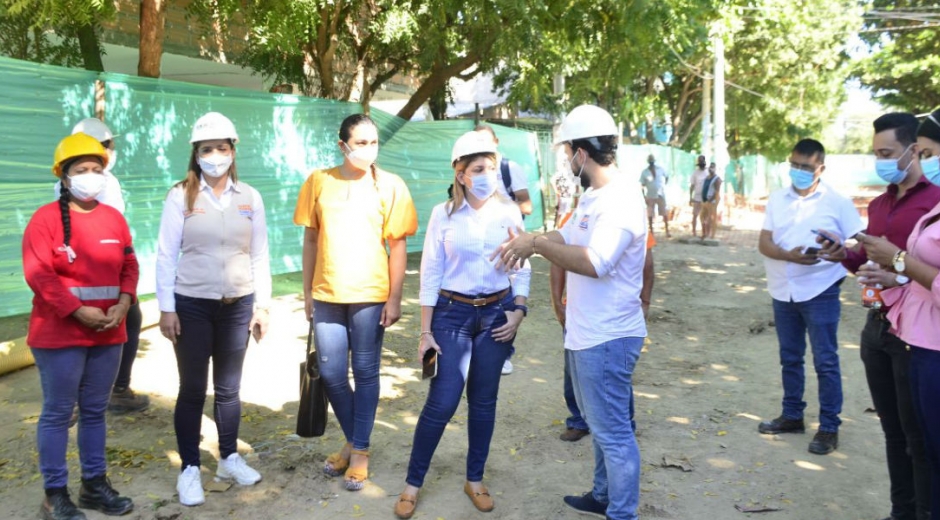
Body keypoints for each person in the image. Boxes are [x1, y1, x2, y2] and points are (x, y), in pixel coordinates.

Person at [495, 104, 648, 520]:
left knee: (614, 431)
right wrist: (537, 238)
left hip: (609, 336)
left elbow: (597, 262)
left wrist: (539, 246)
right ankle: (603, 496)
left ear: (582, 153)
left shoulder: (620, 199)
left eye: (567, 152)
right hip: (588, 332)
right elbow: (569, 234)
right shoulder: (593, 196)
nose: (566, 160)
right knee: (601, 427)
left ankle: (622, 512)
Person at [393, 131, 530, 519]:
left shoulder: (508, 211)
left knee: (484, 403)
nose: (487, 175)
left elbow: (522, 266)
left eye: (491, 167)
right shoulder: (444, 214)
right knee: (442, 401)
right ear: (461, 173)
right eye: (478, 169)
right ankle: (412, 484)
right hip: (451, 315)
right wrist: (425, 331)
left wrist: (518, 311)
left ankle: (474, 479)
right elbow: (431, 272)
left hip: (496, 316)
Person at [293, 114, 417, 492]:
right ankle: (354, 440)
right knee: (331, 374)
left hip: (370, 295)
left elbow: (398, 246)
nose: (368, 149)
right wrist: (308, 291)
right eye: (360, 142)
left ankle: (359, 451)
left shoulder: (391, 186)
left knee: (365, 373)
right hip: (328, 293)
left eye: (373, 142)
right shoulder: (319, 182)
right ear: (342, 144)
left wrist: (394, 298)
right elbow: (311, 240)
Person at [156, 112, 272, 506]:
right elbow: (165, 255)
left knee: (228, 390)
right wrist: (167, 309)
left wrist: (263, 306)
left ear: (232, 151)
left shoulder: (250, 198)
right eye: (208, 149)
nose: (216, 155)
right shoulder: (181, 195)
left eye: (222, 148)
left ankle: (228, 458)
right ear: (197, 154)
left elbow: (259, 255)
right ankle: (190, 468)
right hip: (191, 306)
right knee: (192, 389)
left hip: (237, 306)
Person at [23, 133, 138, 519]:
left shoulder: (113, 218)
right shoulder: (45, 220)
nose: (91, 176)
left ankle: (94, 485)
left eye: (96, 169)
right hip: (60, 336)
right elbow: (40, 275)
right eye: (81, 170)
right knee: (58, 413)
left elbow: (129, 266)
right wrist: (77, 310)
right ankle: (54, 494)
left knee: (94, 412)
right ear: (64, 176)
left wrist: (124, 302)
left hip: (108, 332)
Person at [834, 112, 938, 520]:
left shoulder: (934, 202)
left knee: (920, 438)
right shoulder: (880, 203)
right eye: (875, 152)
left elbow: (907, 267)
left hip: (916, 336)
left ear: (914, 151)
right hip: (877, 323)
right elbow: (871, 258)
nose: (880, 161)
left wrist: (896, 266)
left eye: (887, 153)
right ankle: (901, 511)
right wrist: (843, 254)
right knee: (893, 432)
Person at [756, 138, 864, 455]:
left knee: (825, 360)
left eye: (806, 166)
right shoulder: (777, 199)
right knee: (790, 358)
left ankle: (829, 427)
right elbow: (764, 243)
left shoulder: (837, 202)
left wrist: (839, 252)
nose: (799, 171)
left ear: (821, 168)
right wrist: (788, 255)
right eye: (794, 165)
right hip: (783, 289)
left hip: (820, 289)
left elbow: (860, 244)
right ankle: (792, 415)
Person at [54, 118, 149, 415]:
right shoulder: (106, 181)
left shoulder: (62, 183)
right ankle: (117, 389)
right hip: (104, 272)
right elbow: (116, 235)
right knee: (125, 323)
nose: (113, 150)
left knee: (80, 332)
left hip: (77, 275)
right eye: (109, 145)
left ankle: (77, 396)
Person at [552, 230, 655, 444]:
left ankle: (624, 423)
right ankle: (579, 420)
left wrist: (645, 301)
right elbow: (557, 260)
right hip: (577, 313)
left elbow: (647, 263)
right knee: (573, 371)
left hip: (614, 319)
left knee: (614, 375)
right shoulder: (575, 217)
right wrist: (557, 302)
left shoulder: (630, 217)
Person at [475, 124, 531, 376]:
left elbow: (526, 205)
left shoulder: (510, 168)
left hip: (507, 236)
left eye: (487, 142)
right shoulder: (469, 173)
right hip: (480, 237)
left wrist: (504, 209)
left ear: (496, 142)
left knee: (508, 291)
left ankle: (505, 352)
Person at [641, 154, 670, 238]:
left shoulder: (660, 169)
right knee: (650, 214)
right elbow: (642, 185)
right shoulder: (645, 172)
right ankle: (652, 232)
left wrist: (663, 185)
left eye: (652, 160)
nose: (651, 162)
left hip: (660, 194)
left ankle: (667, 230)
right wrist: (644, 196)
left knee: (664, 212)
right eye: (650, 160)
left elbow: (667, 177)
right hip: (650, 195)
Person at [700, 162, 722, 240]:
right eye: (710, 167)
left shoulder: (717, 179)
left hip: (711, 201)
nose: (711, 169)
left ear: (715, 168)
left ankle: (712, 235)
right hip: (704, 201)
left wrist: (711, 200)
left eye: (712, 167)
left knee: (712, 218)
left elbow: (717, 192)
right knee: (702, 217)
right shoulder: (707, 178)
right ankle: (705, 233)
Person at [689, 155, 708, 238]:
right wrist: (690, 197)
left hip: (705, 197)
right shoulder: (695, 173)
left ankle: (704, 233)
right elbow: (692, 185)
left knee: (704, 216)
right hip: (696, 197)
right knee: (695, 215)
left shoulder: (707, 172)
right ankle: (694, 232)